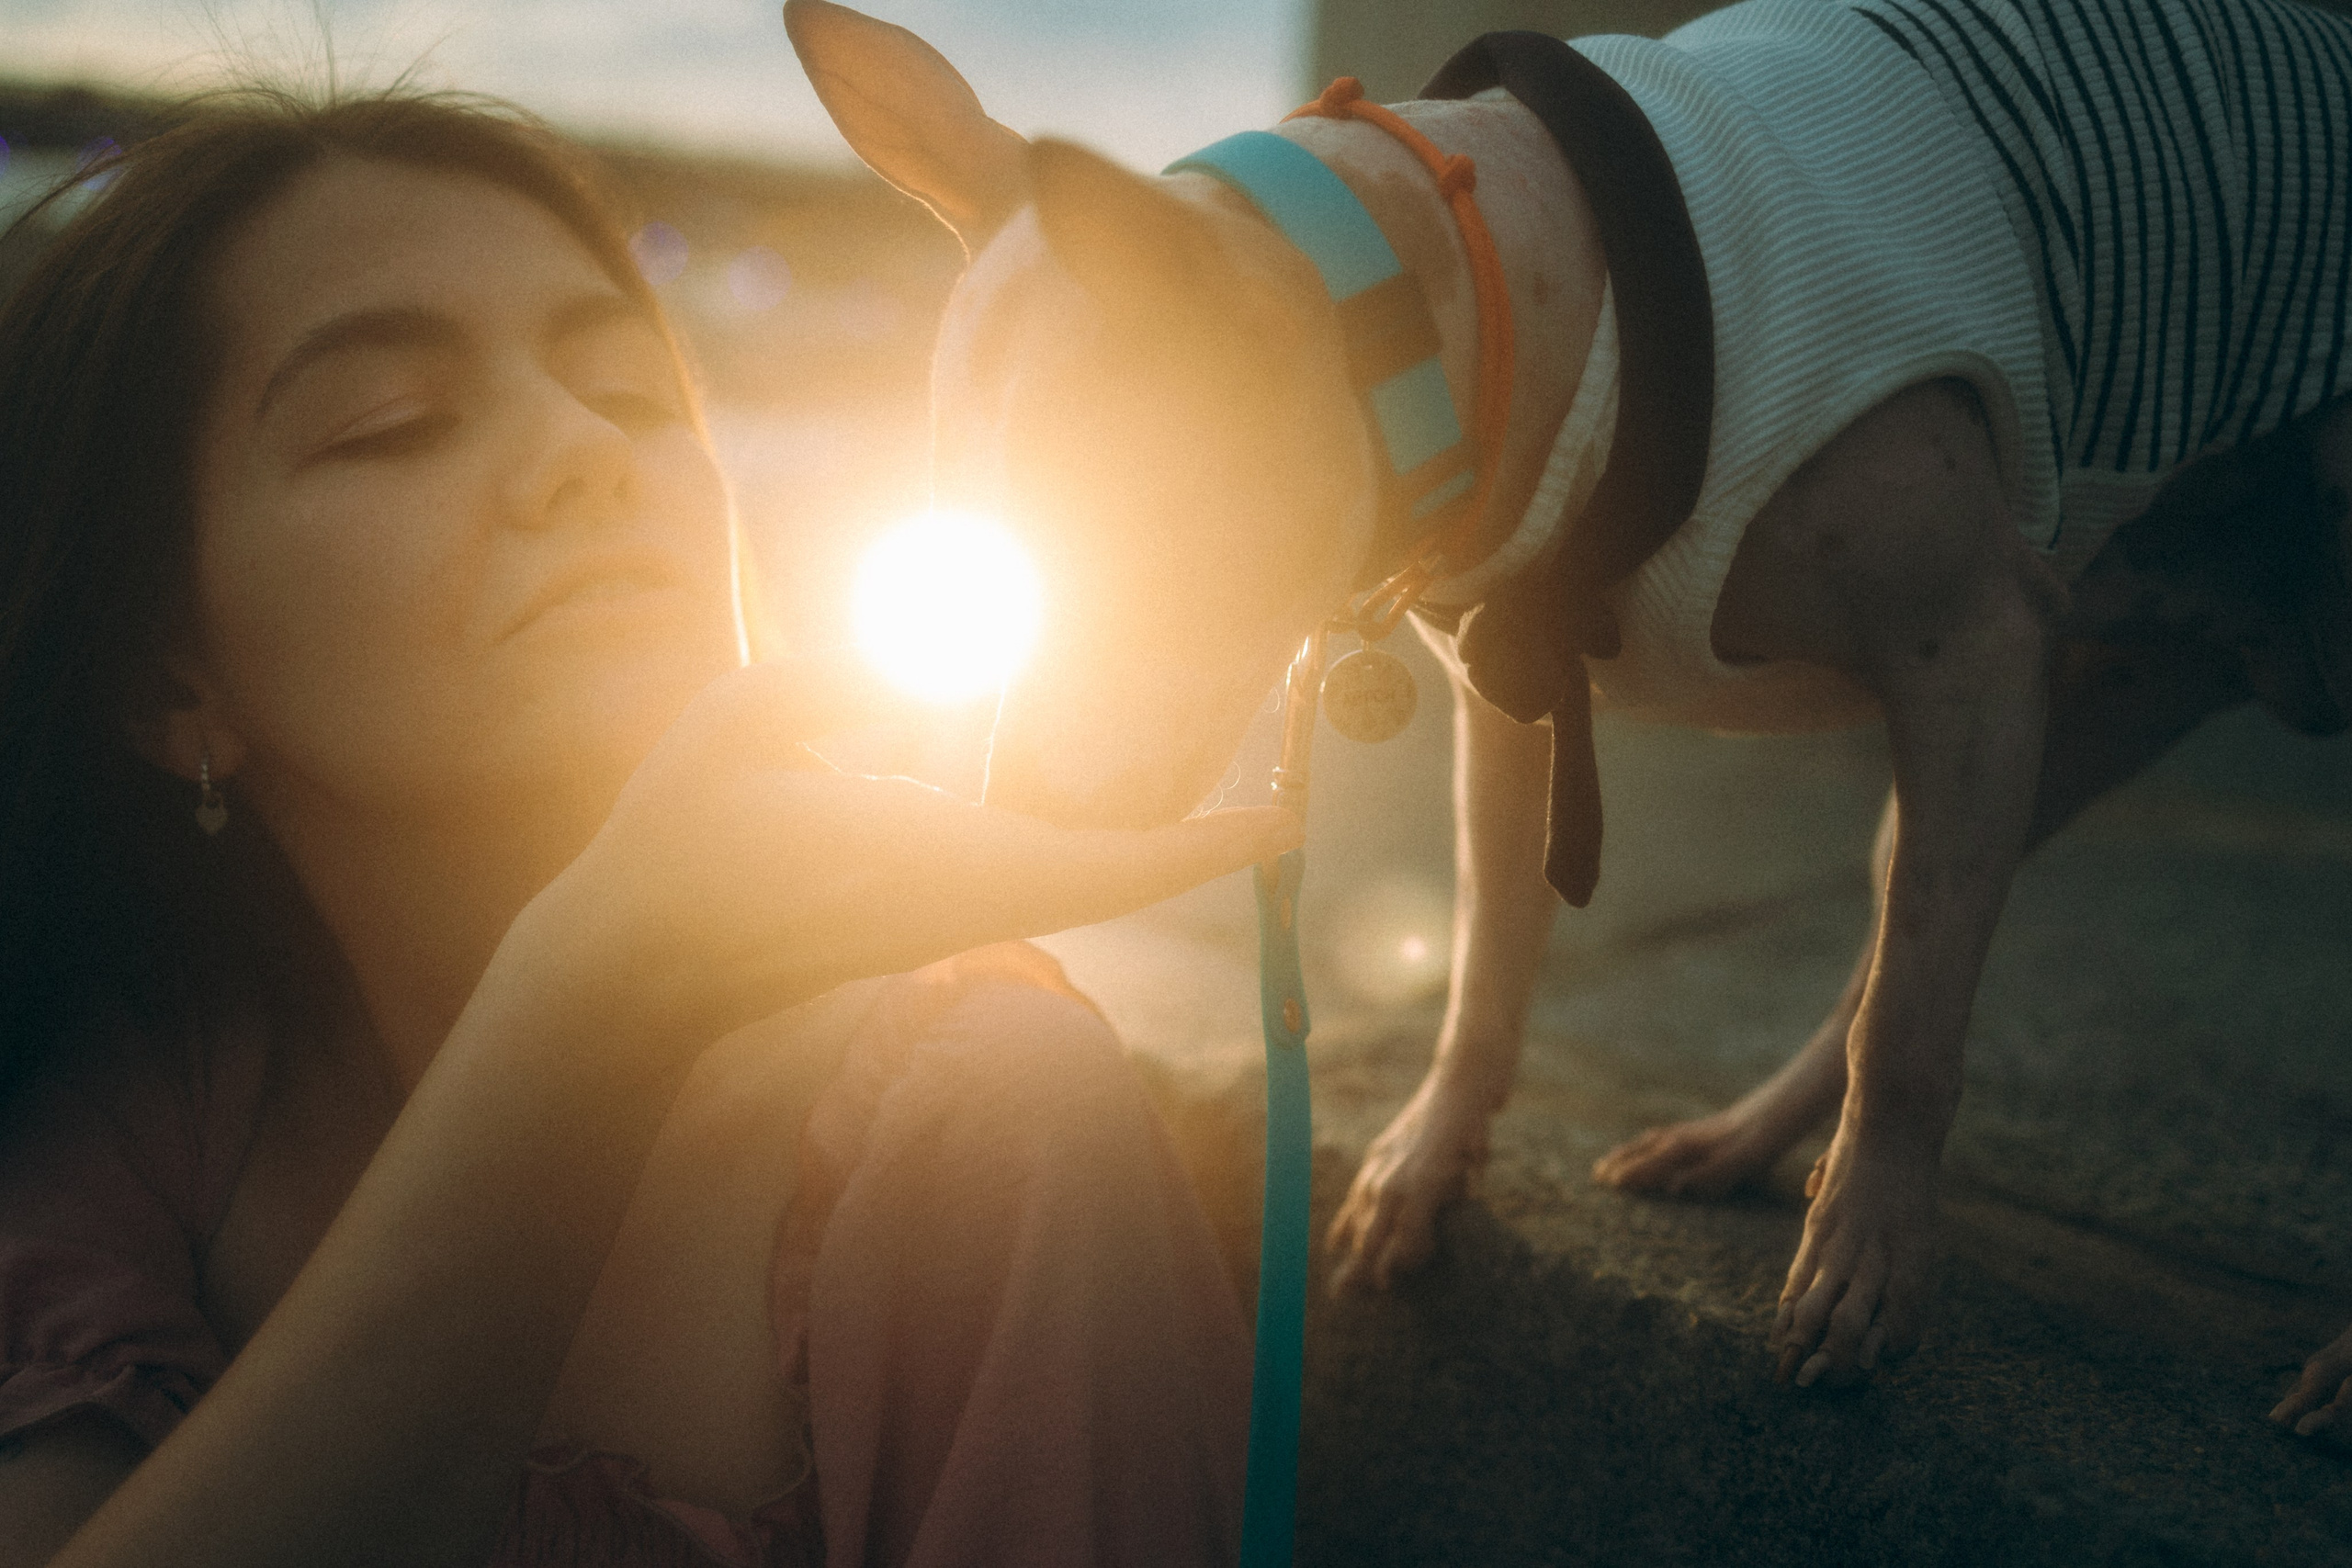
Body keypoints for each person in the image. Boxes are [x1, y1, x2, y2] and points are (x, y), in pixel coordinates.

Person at [0, 87, 1295, 1567]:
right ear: (173, 682)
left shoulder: (981, 1129)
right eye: (396, 423)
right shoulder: (142, 1120)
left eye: (629, 393)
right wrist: (586, 1015)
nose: (584, 451)